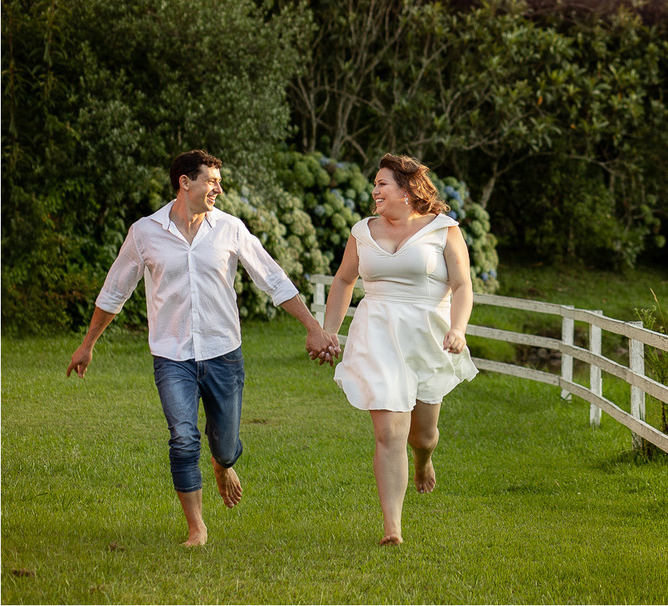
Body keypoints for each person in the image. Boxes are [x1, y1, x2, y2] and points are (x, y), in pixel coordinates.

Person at [66, 150, 341, 547]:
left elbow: (272, 279)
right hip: (171, 355)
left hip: (223, 352)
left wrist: (313, 327)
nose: (219, 188)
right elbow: (115, 292)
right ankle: (197, 527)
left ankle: (223, 462)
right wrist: (87, 343)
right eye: (212, 181)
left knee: (225, 444)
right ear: (185, 182)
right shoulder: (144, 233)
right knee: (182, 436)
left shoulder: (230, 228)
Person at [322, 153, 478, 545]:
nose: (374, 191)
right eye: (374, 185)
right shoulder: (362, 231)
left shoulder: (444, 229)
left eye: (381, 184)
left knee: (421, 435)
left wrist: (458, 329)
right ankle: (393, 528)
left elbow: (462, 286)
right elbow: (343, 282)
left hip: (427, 335)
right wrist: (329, 333)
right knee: (390, 432)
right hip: (376, 334)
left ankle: (424, 460)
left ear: (406, 191)